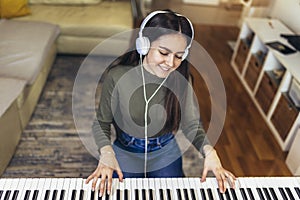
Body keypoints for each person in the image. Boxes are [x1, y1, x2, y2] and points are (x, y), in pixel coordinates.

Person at [86, 10, 236, 196]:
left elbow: (191, 124)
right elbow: (101, 122)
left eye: (179, 56)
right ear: (144, 45)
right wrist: (107, 153)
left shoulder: (182, 79)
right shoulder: (117, 76)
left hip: (165, 149)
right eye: (164, 52)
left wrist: (210, 152)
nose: (171, 63)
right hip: (126, 148)